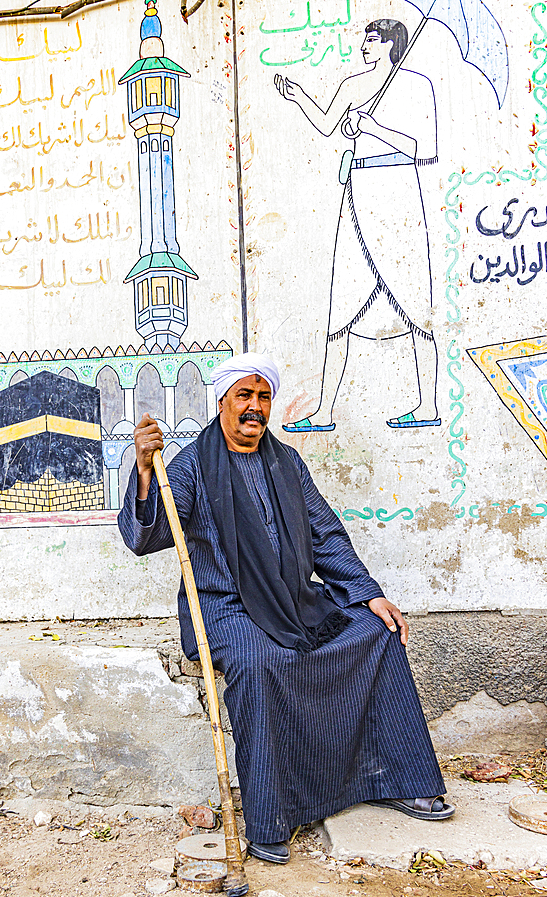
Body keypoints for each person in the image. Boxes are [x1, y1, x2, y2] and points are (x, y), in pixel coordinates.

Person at [118, 353, 453, 864]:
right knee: (258, 663)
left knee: (375, 634)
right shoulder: (188, 465)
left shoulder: (287, 461)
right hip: (225, 606)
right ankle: (271, 815)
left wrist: (369, 592)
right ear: (223, 401)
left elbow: (326, 535)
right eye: (244, 397)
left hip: (293, 599)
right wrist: (144, 471)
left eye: (263, 397)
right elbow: (147, 538)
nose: (255, 408)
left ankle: (392, 778)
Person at [275, 19, 441, 433]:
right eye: (365, 39)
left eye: (372, 39)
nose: (365, 46)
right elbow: (329, 124)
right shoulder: (354, 84)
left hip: (398, 191)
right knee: (340, 306)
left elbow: (426, 149)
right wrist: (300, 98)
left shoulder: (417, 86)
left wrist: (373, 128)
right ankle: (325, 411)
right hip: (358, 188)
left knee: (416, 303)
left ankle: (428, 405)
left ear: (390, 44)